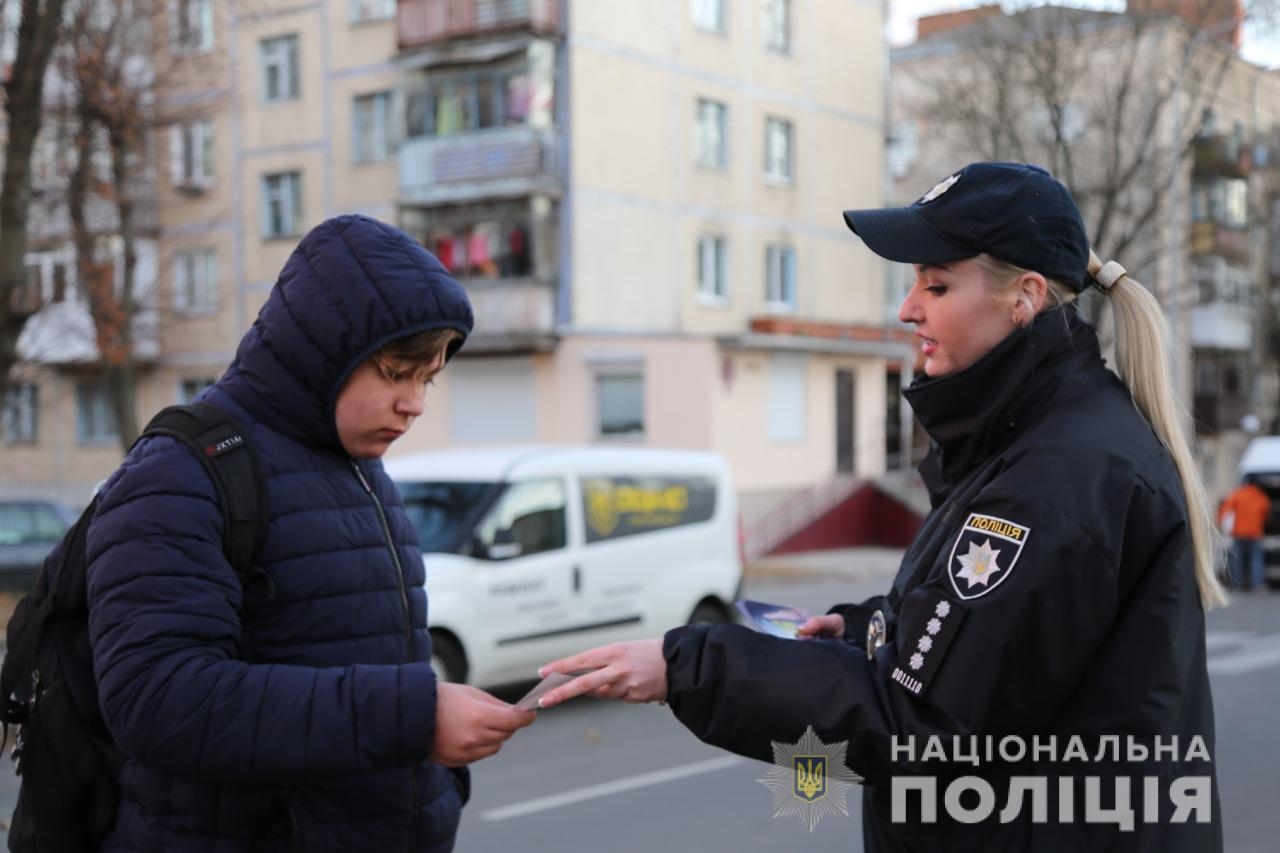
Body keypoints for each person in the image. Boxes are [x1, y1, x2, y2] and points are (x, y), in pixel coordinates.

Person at [536, 163, 1226, 851]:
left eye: (937, 284)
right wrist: (871, 629)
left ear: (1024, 297)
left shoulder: (1052, 477)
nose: (908, 308)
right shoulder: (1038, 441)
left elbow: (917, 724)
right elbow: (994, 654)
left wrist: (688, 666)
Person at [85, 215, 535, 851]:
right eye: (395, 371)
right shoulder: (183, 472)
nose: (416, 403)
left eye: (427, 377)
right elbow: (160, 700)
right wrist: (413, 716)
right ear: (321, 350)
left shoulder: (359, 470)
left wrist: (436, 784)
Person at [1218, 475, 1271, 591]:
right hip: (1255, 533)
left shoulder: (1238, 494)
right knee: (1256, 559)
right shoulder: (1262, 498)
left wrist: (1220, 524)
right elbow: (1266, 516)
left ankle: (1238, 583)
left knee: (1237, 558)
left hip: (1239, 532)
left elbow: (1225, 510)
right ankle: (1257, 584)